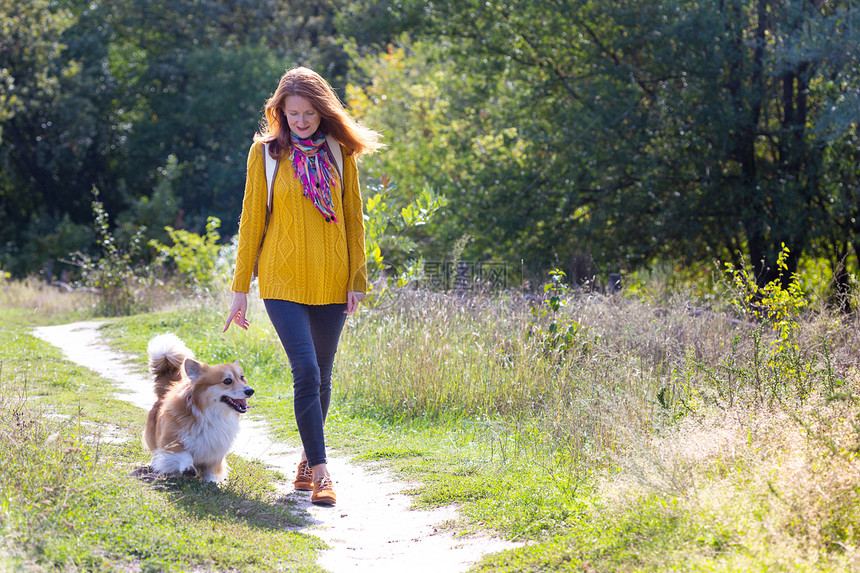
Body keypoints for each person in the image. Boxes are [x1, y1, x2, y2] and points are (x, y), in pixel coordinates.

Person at [223, 66, 382, 506]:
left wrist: (357, 278)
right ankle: (324, 473)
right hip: (281, 279)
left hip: (333, 279)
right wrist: (240, 289)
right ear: (279, 112)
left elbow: (354, 220)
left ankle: (306, 461)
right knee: (306, 371)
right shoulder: (266, 154)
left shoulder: (339, 152)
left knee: (323, 377)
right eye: (291, 113)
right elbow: (251, 220)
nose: (300, 121)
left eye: (308, 113)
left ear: (321, 111)